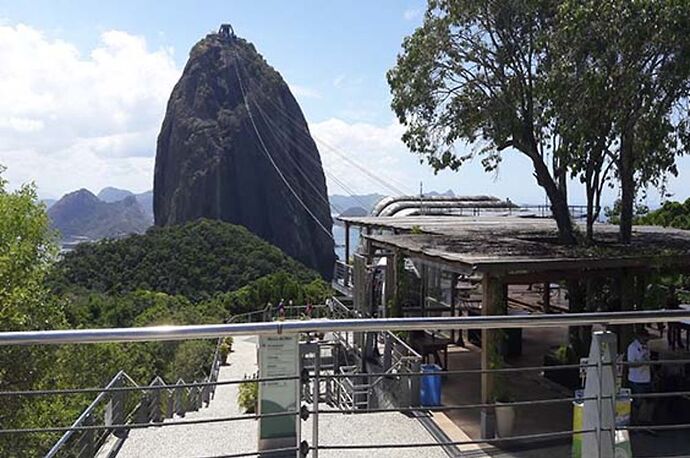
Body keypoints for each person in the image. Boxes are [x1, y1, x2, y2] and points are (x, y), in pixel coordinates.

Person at [627, 327, 653, 424]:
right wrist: (642, 363)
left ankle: (646, 420)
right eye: (644, 338)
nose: (646, 340)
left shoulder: (646, 347)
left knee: (650, 401)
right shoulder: (632, 347)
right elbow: (630, 364)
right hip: (636, 380)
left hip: (647, 378)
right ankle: (634, 421)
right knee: (637, 402)